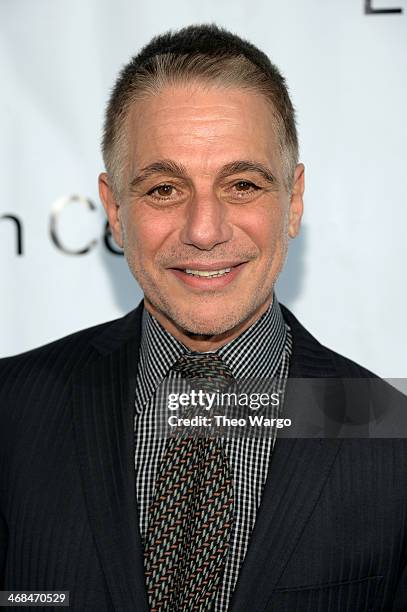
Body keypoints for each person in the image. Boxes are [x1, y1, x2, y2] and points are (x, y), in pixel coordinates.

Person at [0, 24, 406, 612]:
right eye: (164, 189)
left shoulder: (389, 434)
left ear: (293, 202)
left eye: (242, 184)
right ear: (115, 210)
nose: (204, 230)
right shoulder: (12, 411)